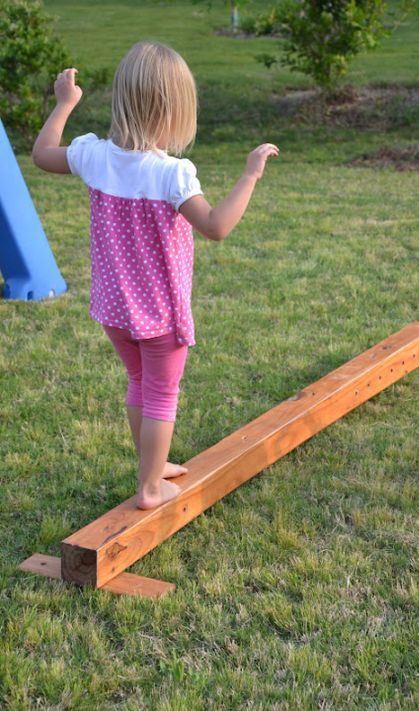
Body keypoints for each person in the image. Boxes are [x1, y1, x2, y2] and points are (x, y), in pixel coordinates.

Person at [32, 41, 279, 510]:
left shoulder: (94, 156)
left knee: (138, 382)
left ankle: (153, 465)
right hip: (159, 316)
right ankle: (150, 488)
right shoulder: (171, 174)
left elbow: (42, 153)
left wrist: (66, 104)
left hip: (113, 309)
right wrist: (249, 175)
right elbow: (217, 226)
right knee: (162, 393)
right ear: (175, 110)